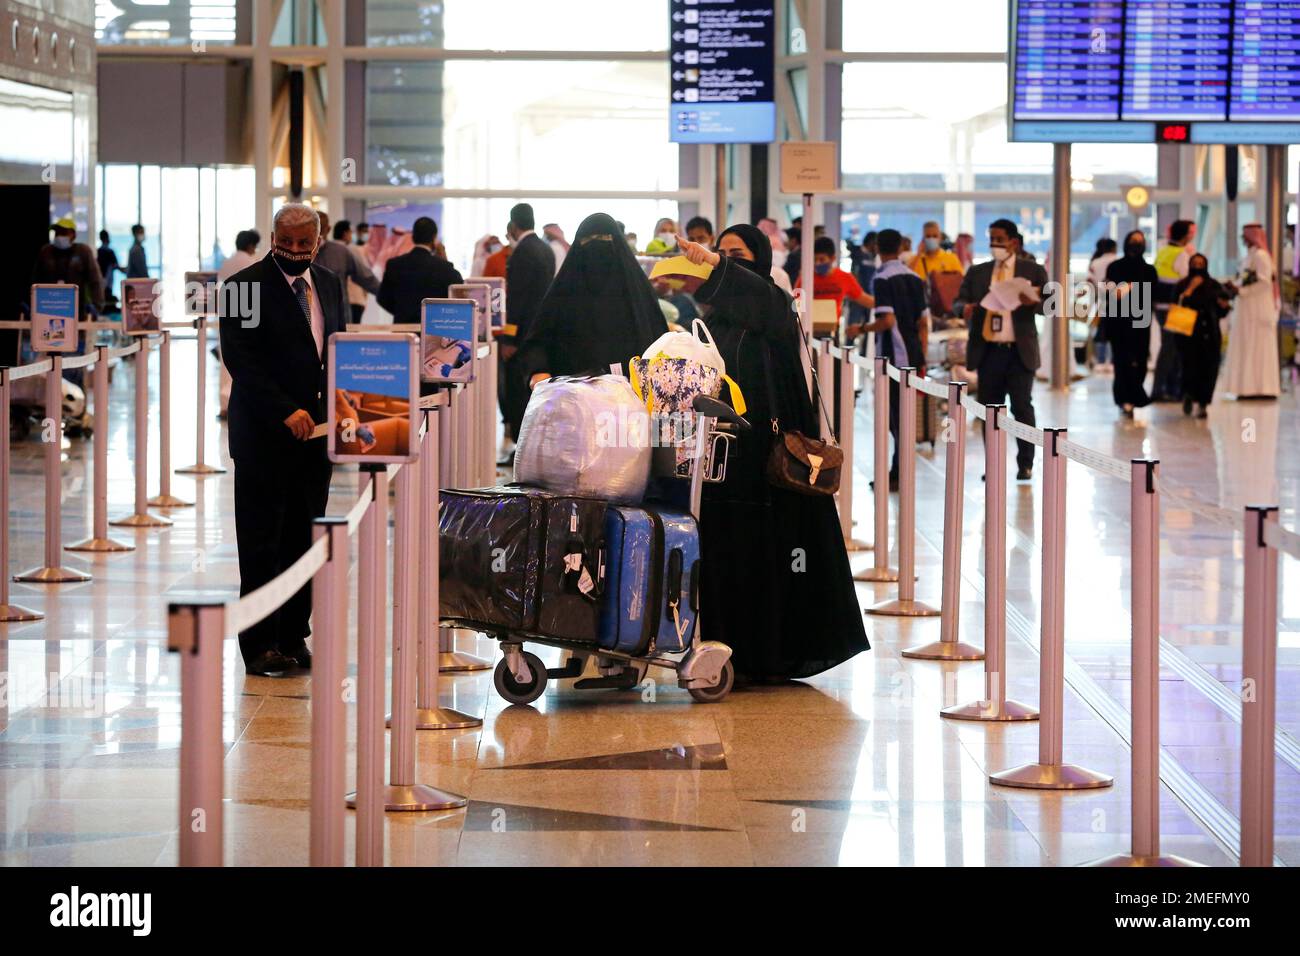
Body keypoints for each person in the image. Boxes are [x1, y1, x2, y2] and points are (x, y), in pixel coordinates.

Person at [674, 225, 869, 681]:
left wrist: (714, 264)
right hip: (722, 459)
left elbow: (763, 305)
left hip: (767, 461)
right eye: (721, 253)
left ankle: (768, 654)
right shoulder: (713, 321)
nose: (723, 260)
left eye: (735, 254)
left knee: (769, 553)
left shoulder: (776, 305)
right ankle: (723, 649)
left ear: (758, 261)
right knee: (724, 549)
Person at [218, 203, 348, 677]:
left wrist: (342, 406)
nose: (294, 251)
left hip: (316, 436)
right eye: (285, 241)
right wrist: (283, 410)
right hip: (263, 436)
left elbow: (336, 349)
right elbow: (241, 360)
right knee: (261, 542)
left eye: (303, 243)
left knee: (303, 539)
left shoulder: (331, 284)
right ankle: (259, 644)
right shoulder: (241, 288)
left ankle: (294, 634)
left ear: (318, 241)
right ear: (272, 236)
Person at [517, 212, 662, 389]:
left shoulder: (638, 294)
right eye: (588, 241)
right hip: (571, 398)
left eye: (604, 239)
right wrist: (538, 372)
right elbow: (537, 340)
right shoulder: (563, 293)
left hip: (632, 399)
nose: (596, 248)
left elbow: (660, 344)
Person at [953, 219, 1046, 480]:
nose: (995, 244)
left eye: (999, 239)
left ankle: (1025, 463)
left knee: (1022, 408)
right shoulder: (978, 272)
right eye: (991, 239)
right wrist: (964, 309)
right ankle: (992, 465)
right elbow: (958, 302)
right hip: (988, 350)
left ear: (1013, 242)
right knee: (989, 410)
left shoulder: (1033, 270)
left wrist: (1033, 302)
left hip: (1019, 351)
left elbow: (1048, 306)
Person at [861, 229, 927, 488]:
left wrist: (861, 330)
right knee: (904, 416)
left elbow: (887, 320)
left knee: (895, 418)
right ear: (900, 247)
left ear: (877, 247)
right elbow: (923, 322)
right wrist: (920, 356)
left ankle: (898, 473)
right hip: (912, 353)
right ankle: (899, 470)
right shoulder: (914, 277)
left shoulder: (882, 279)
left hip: (892, 357)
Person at [501, 203, 556, 445]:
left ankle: (520, 445)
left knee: (517, 391)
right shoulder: (545, 249)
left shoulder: (522, 252)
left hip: (522, 336)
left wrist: (509, 338)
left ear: (513, 226)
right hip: (541, 331)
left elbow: (517, 299)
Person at [1101, 230, 1156, 418]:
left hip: (1141, 322)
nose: (1136, 244)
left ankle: (1136, 395)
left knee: (1140, 361)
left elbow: (1152, 295)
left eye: (1139, 241)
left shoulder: (1149, 270)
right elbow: (1109, 291)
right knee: (1122, 361)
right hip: (1119, 322)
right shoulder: (1115, 267)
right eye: (1133, 241)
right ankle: (1125, 400)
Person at [1223, 223, 1281, 399]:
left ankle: (1262, 388)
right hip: (1246, 307)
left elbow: (1265, 282)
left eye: (1246, 235)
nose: (1244, 239)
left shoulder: (1262, 256)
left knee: (1258, 345)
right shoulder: (1250, 256)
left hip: (1257, 308)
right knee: (1246, 344)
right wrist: (1236, 287)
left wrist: (1242, 290)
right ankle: (1246, 388)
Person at [1172, 253, 1230, 418]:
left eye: (1201, 264)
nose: (1198, 267)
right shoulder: (1182, 285)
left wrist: (1223, 305)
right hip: (1188, 334)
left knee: (1209, 368)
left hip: (1209, 333)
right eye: (1194, 263)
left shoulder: (1214, 285)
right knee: (1189, 367)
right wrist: (1190, 290)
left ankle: (1204, 402)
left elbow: (1222, 310)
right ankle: (1188, 395)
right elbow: (1176, 305)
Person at [376, 216, 464, 325]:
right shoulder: (443, 267)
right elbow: (459, 292)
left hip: (403, 331)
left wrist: (402, 312)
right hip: (434, 330)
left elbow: (382, 298)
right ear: (434, 238)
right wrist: (444, 259)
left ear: (413, 237)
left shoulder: (394, 265)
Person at [216, 229, 262, 418]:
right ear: (251, 245)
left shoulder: (226, 262)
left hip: (227, 314)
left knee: (225, 362)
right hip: (248, 317)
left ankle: (225, 403)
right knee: (248, 361)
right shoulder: (252, 263)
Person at [1150, 219, 1196, 401]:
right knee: (1173, 348)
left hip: (1160, 305)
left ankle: (1168, 388)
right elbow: (1187, 279)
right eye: (1191, 233)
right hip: (1178, 307)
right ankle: (1163, 390)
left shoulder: (1163, 251)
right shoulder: (1182, 255)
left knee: (1170, 347)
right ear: (1185, 235)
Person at [793, 236, 875, 335]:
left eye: (822, 259)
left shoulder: (844, 278)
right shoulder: (806, 278)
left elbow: (863, 298)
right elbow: (795, 304)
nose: (817, 263)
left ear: (832, 258)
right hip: (807, 330)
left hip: (832, 330)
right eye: (815, 260)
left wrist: (887, 304)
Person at [314, 214, 381, 325]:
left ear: (328, 229)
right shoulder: (298, 251)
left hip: (337, 317)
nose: (317, 232)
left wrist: (388, 295)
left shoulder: (341, 252)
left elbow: (366, 277)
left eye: (320, 227)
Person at [33, 217, 104, 317]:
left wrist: (97, 306)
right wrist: (31, 303)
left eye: (63, 232)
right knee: (49, 332)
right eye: (57, 233)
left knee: (76, 332)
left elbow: (95, 280)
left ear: (73, 235)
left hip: (77, 310)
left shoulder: (83, 251)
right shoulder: (46, 252)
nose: (59, 236)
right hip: (48, 308)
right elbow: (35, 279)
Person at [1087, 237, 1119, 369]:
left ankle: (1100, 361)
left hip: (1101, 300)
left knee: (1101, 331)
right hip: (1119, 300)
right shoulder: (1118, 261)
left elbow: (1089, 282)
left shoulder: (1095, 263)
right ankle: (1112, 361)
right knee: (1116, 331)